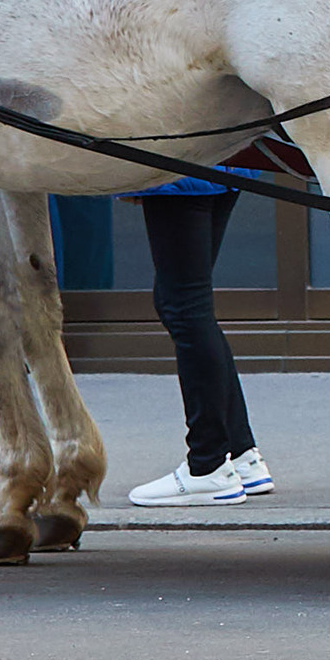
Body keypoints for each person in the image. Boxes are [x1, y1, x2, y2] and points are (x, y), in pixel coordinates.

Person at [121, 163, 272, 505]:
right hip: (215, 164)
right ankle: (240, 453)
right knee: (185, 304)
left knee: (184, 306)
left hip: (179, 166)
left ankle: (209, 467)